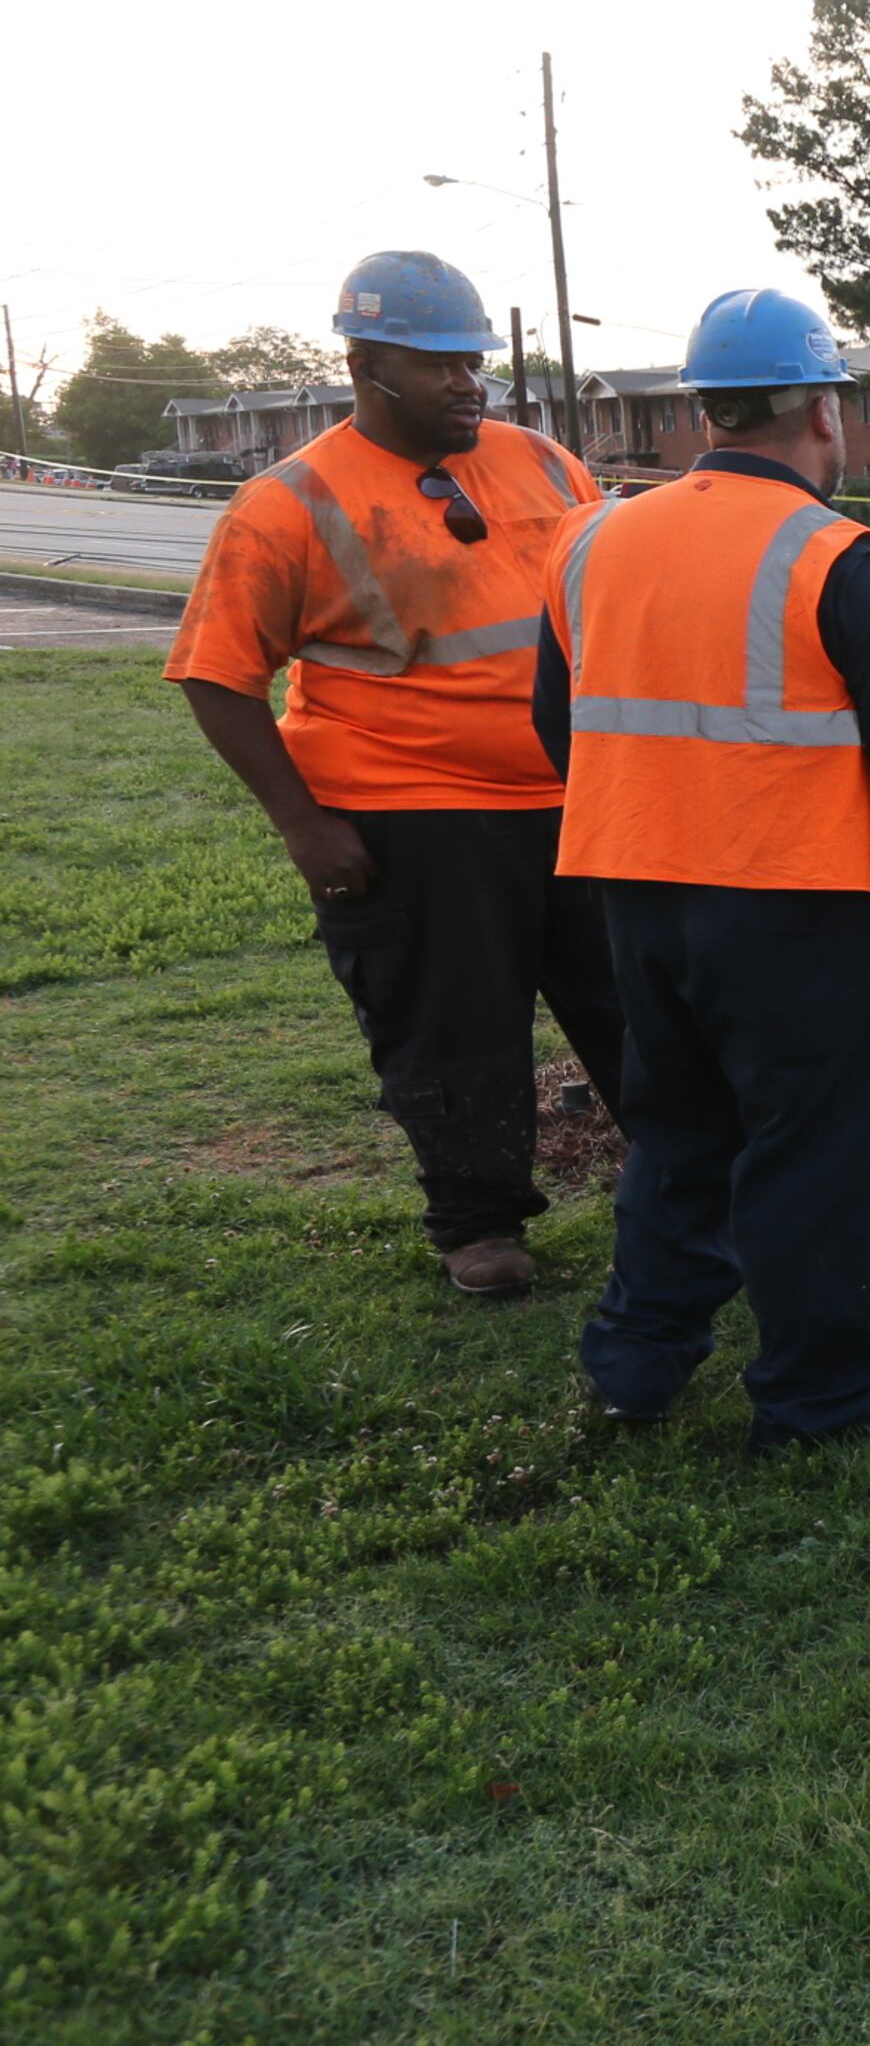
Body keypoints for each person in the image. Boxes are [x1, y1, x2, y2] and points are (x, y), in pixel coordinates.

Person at [536, 289, 870, 1449]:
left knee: (678, 1136)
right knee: (824, 1151)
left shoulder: (591, 539)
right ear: (821, 408)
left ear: (707, 409)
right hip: (803, 908)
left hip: (637, 893)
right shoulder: (840, 559)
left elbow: (563, 726)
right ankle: (825, 1399)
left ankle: (635, 1366)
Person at [163, 250, 622, 1298]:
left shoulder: (545, 465)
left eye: (474, 362)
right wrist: (302, 824)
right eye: (439, 365)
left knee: (639, 1000)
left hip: (576, 797)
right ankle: (479, 1225)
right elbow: (217, 677)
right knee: (453, 1027)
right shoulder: (288, 504)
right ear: (365, 367)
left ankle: (690, 1173)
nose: (468, 383)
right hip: (413, 815)